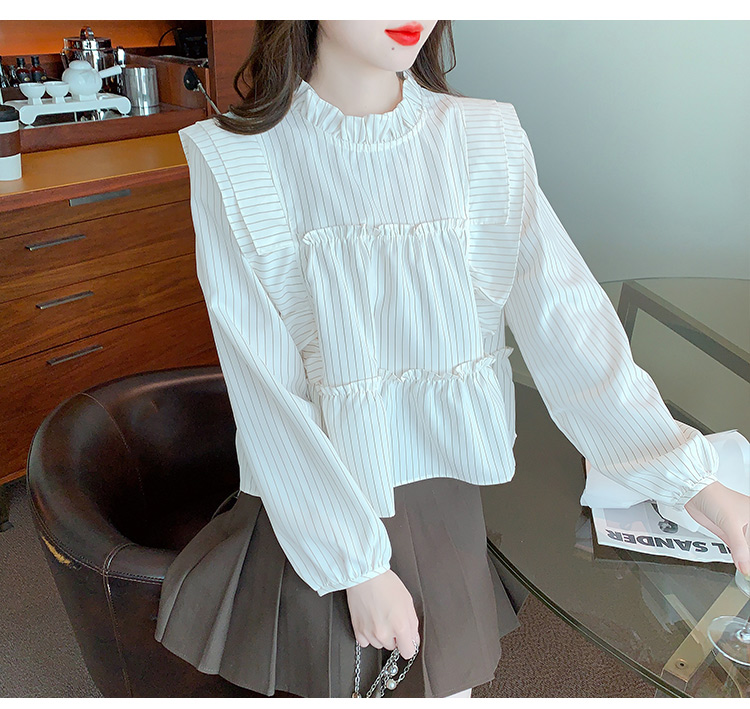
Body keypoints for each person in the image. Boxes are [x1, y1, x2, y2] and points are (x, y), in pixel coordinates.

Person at [154, 21, 750, 699]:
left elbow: (569, 324)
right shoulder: (237, 160)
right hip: (317, 510)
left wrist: (690, 478)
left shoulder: (484, 140)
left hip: (444, 505)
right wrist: (356, 566)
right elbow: (267, 394)